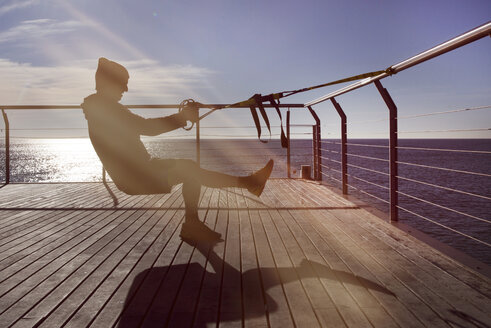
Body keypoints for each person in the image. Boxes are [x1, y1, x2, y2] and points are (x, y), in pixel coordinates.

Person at [82, 58, 274, 242]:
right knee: (190, 171)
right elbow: (148, 128)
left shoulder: (101, 108)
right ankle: (248, 184)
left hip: (139, 170)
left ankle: (196, 222)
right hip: (137, 176)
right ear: (110, 82)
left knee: (190, 169)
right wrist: (183, 117)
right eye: (123, 83)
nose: (126, 88)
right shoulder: (106, 110)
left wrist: (183, 117)